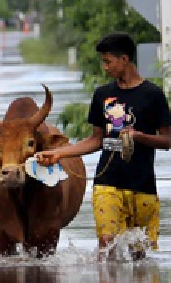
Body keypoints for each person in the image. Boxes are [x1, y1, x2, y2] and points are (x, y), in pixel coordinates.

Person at [34, 32, 171, 258]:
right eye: (103, 62)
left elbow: (167, 140)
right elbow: (95, 140)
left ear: (124, 59)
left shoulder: (153, 95)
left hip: (142, 185)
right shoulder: (103, 95)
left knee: (138, 254)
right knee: (107, 246)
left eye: (108, 61)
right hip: (107, 182)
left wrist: (138, 136)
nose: (105, 67)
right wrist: (58, 153)